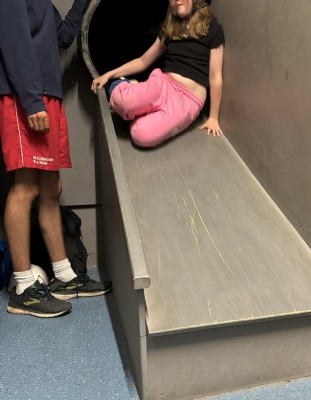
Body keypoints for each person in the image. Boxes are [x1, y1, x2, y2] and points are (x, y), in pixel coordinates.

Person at [0, 0, 112, 318]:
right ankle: (23, 289)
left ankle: (65, 276)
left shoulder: (44, 4)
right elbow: (14, 44)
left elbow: (62, 36)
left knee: (51, 188)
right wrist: (32, 101)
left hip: (50, 96)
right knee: (25, 188)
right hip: (25, 98)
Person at [91, 0, 225, 147]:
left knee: (140, 136)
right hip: (164, 84)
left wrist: (213, 117)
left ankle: (141, 107)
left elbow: (215, 77)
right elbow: (143, 61)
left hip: (188, 100)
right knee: (122, 100)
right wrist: (108, 75)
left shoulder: (213, 28)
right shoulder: (170, 29)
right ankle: (127, 87)